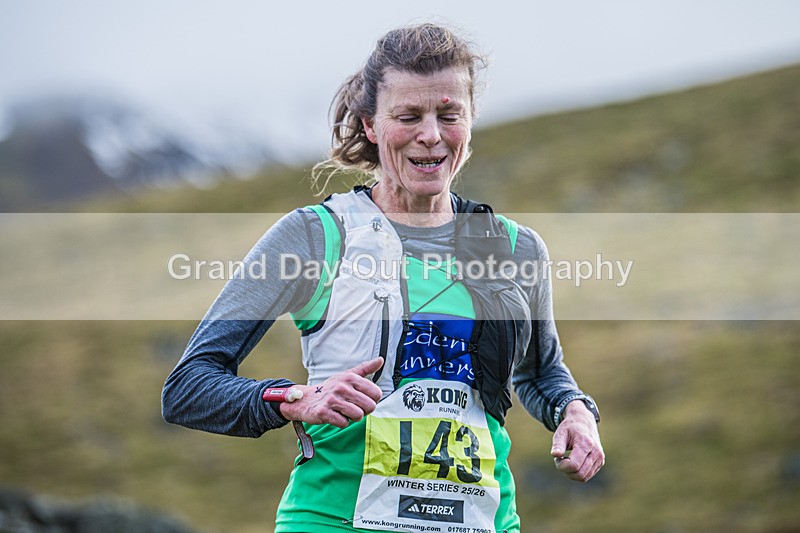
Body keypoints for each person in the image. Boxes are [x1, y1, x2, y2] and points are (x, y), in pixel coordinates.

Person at [162, 22, 604, 532]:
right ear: (371, 125)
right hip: (333, 521)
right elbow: (188, 388)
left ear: (470, 119)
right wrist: (297, 399)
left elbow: (541, 373)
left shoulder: (515, 249)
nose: (431, 135)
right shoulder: (313, 237)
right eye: (408, 116)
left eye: (449, 114)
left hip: (482, 521)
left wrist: (576, 412)